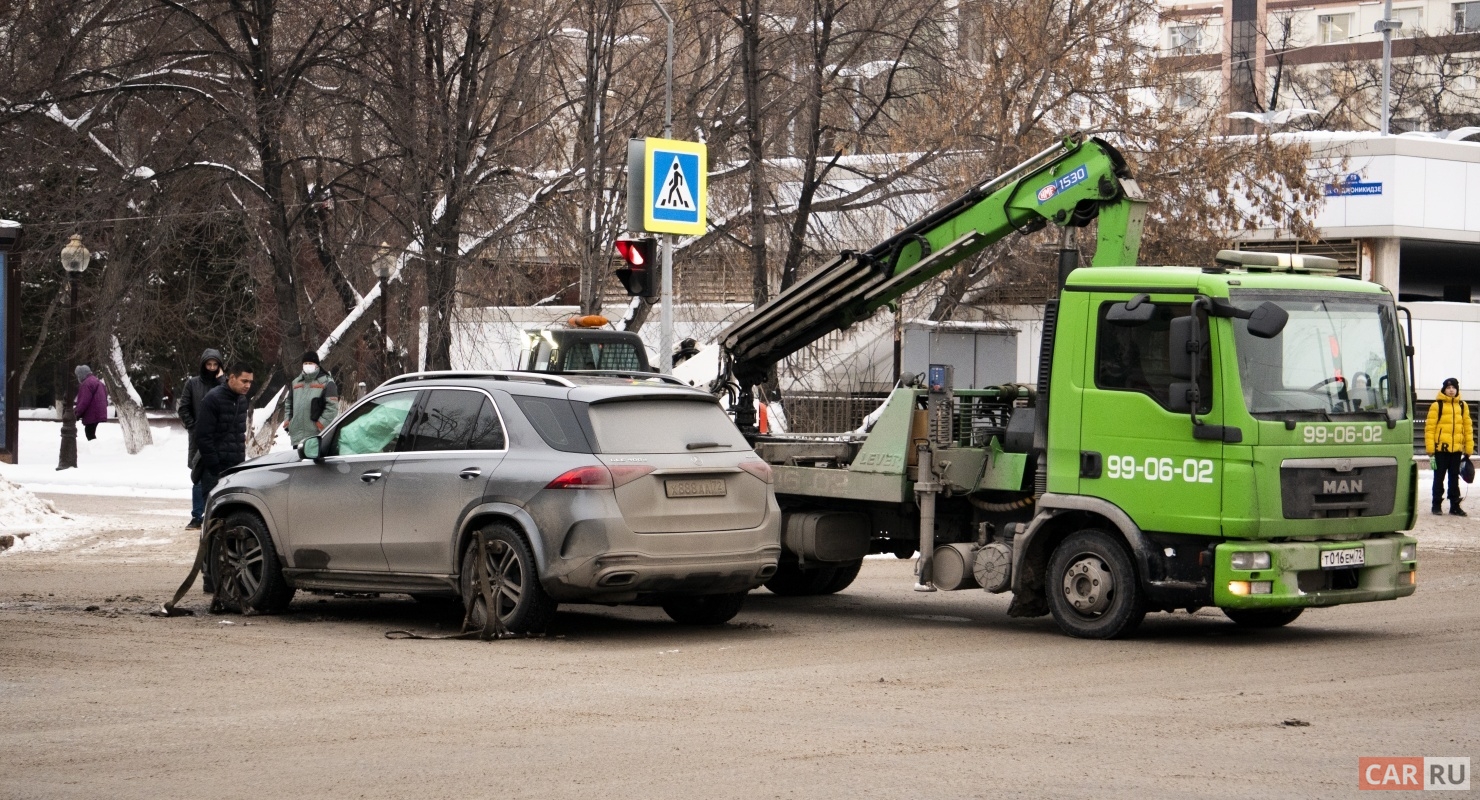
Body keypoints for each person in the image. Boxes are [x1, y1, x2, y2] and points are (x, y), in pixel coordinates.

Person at [193, 363, 254, 507]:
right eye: (244, 381)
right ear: (232, 377)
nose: (248, 385)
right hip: (215, 469)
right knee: (214, 513)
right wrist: (214, 467)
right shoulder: (213, 398)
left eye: (250, 382)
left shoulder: (242, 400)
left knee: (232, 511)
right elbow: (203, 436)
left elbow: (239, 433)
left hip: (236, 467)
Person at [178, 349, 225, 529]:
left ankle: (215, 515)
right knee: (198, 477)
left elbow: (231, 402)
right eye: (209, 364)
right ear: (203, 364)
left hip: (219, 438)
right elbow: (184, 408)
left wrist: (222, 379)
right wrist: (193, 427)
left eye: (215, 364)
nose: (212, 368)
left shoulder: (224, 384)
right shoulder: (193, 384)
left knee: (218, 477)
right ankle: (197, 515)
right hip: (198, 438)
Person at [1425, 376, 1473, 516]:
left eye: (1453, 388)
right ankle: (1436, 505)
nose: (1451, 390)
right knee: (1438, 477)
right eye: (1448, 388)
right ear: (1444, 389)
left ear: (1457, 390)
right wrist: (1430, 449)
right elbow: (1430, 428)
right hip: (1441, 450)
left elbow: (1468, 427)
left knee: (1454, 478)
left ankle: (1455, 506)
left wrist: (1468, 448)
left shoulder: (1463, 406)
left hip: (1456, 450)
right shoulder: (1437, 406)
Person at [283, 351, 340, 446]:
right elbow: (289, 403)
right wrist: (288, 422)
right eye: (305, 363)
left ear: (317, 365)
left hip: (316, 437)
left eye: (310, 363)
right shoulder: (295, 383)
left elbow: (332, 408)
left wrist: (321, 425)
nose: (308, 365)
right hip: (297, 437)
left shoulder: (327, 382)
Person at [73, 365, 108, 441]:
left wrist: (77, 413)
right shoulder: (97, 381)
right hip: (99, 410)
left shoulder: (86, 384)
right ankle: (94, 448)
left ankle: (95, 449)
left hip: (93, 412)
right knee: (90, 432)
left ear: (81, 374)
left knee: (89, 433)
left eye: (78, 375)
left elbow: (83, 401)